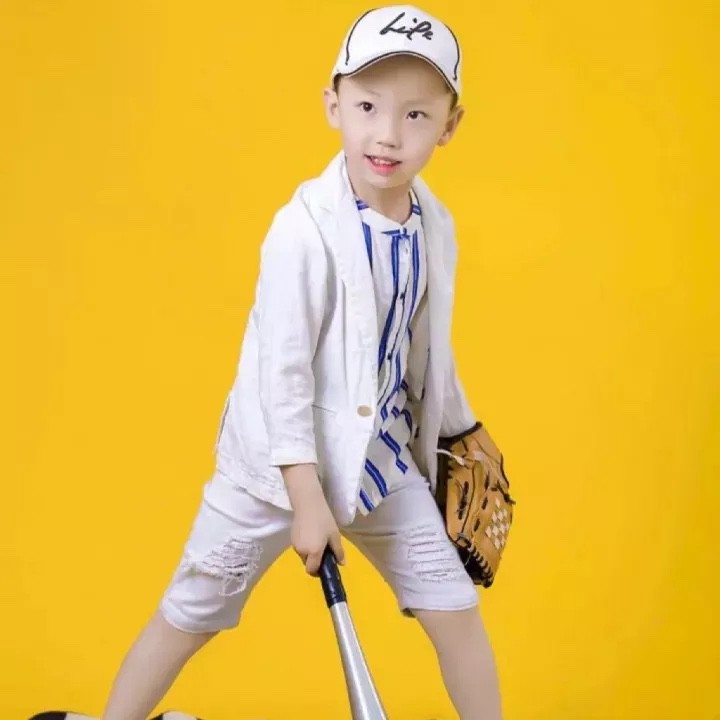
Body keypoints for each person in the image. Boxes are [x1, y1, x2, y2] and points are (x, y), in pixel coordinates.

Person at [101, 5, 504, 719]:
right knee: (193, 608)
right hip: (274, 471)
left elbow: (421, 350)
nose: (387, 133)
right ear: (333, 105)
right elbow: (280, 375)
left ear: (450, 125)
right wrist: (306, 497)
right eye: (368, 107)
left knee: (454, 608)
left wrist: (462, 430)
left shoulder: (433, 223)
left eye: (415, 115)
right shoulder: (302, 231)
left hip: (379, 462)